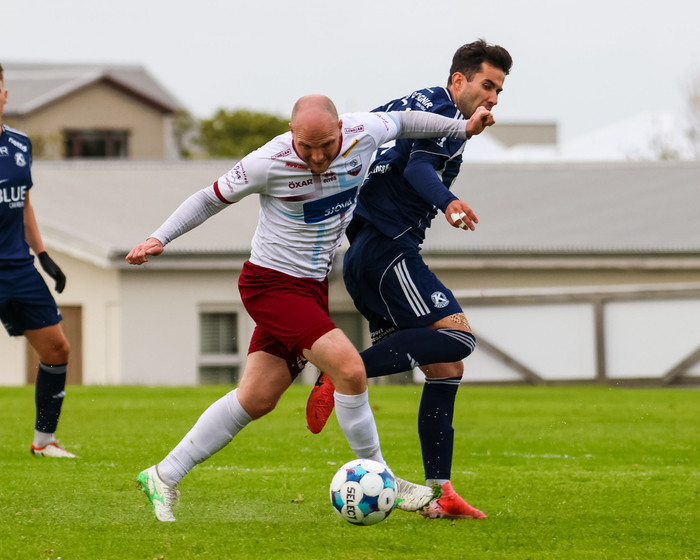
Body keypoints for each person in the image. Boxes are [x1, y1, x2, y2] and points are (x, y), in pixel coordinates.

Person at [127, 94, 486, 522]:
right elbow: (209, 198)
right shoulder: (268, 162)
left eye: (326, 146)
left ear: (341, 130)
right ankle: (386, 477)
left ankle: (163, 475)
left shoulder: (364, 131)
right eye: (306, 147)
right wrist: (160, 237)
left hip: (312, 287)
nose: (317, 157)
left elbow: (408, 121)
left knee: (257, 398)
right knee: (350, 370)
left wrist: (463, 128)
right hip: (271, 286)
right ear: (291, 134)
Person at [306, 40, 513, 519]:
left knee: (446, 368)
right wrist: (449, 201)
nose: (493, 98)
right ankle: (341, 370)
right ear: (459, 80)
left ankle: (442, 494)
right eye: (487, 85)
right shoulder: (446, 113)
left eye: (499, 91)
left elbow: (363, 143)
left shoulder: (414, 103)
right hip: (388, 251)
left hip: (363, 257)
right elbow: (419, 167)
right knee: (458, 339)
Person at [0, 64, 75, 459]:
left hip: (18, 268)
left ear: (4, 94)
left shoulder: (19, 144)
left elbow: (23, 203)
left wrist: (43, 255)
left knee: (57, 348)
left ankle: (43, 442)